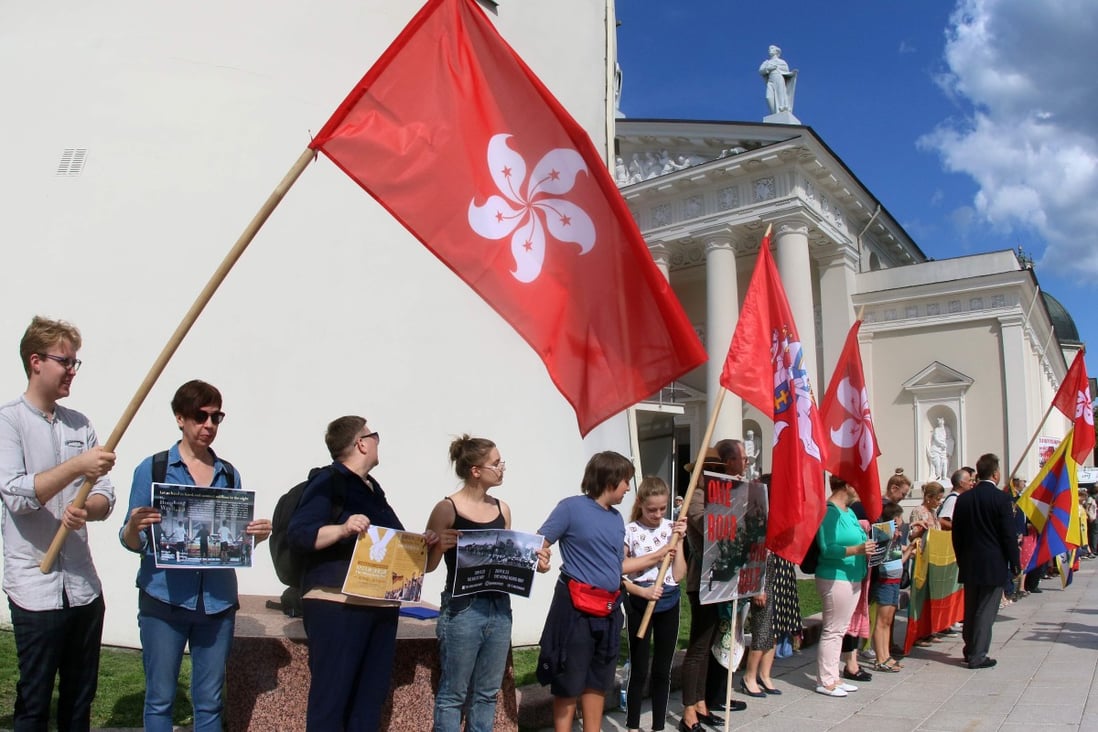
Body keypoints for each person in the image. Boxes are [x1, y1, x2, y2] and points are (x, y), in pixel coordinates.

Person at [120, 379, 272, 732]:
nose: (208, 425)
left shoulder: (228, 473)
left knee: (210, 703)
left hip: (217, 604)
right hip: (164, 600)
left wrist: (255, 538)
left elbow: (230, 544)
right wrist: (133, 528)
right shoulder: (154, 468)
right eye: (200, 416)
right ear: (179, 418)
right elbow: (129, 540)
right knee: (159, 701)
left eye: (216, 417)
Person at [0, 316, 117, 732]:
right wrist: (76, 468)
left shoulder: (79, 424)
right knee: (33, 703)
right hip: (35, 586)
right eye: (65, 361)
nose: (72, 370)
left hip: (83, 587)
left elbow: (106, 495)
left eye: (75, 363)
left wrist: (93, 508)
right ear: (35, 361)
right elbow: (15, 494)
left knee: (78, 701)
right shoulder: (8, 421)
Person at [287, 415, 440, 731]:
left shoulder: (373, 489)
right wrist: (343, 528)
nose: (377, 442)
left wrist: (422, 544)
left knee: (368, 703)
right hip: (337, 604)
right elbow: (300, 534)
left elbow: (393, 538)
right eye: (374, 435)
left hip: (380, 604)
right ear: (361, 443)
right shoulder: (328, 481)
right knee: (331, 701)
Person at [424, 435, 550, 732]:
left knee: (486, 694)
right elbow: (425, 565)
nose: (502, 468)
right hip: (462, 609)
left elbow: (505, 559)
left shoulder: (501, 508)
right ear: (476, 471)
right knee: (453, 694)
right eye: (496, 463)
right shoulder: (446, 508)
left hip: (499, 607)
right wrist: (439, 546)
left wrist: (536, 564)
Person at [536, 451, 633, 732]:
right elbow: (539, 543)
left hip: (609, 610)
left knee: (598, 679)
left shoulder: (616, 519)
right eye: (626, 480)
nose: (628, 487)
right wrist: (541, 560)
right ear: (611, 479)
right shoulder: (570, 508)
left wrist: (662, 553)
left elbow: (617, 566)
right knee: (568, 680)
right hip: (574, 611)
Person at [680, 440, 747, 731]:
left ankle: (702, 703)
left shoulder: (725, 496)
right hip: (703, 581)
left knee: (708, 646)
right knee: (697, 647)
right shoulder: (696, 496)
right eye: (717, 470)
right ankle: (688, 712)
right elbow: (710, 525)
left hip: (722, 580)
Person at [621, 476, 687, 732]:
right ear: (640, 503)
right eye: (651, 509)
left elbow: (679, 574)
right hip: (640, 600)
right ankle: (633, 726)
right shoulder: (630, 531)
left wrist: (679, 542)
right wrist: (641, 591)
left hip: (668, 600)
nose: (657, 514)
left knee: (662, 668)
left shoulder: (672, 528)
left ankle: (658, 726)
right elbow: (620, 573)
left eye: (662, 508)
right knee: (639, 668)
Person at [951, 453, 1020, 669]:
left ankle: (970, 648)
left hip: (970, 560)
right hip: (993, 562)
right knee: (985, 609)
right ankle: (978, 654)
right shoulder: (1001, 499)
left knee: (971, 608)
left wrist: (960, 557)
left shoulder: (964, 499)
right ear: (996, 473)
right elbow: (1008, 534)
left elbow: (957, 533)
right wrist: (1015, 561)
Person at [815, 475, 875, 697]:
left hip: (853, 575)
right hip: (835, 576)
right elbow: (827, 547)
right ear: (847, 485)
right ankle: (825, 680)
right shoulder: (830, 512)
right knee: (832, 629)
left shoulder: (849, 512)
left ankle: (834, 676)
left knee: (840, 630)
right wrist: (857, 550)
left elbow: (859, 539)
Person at [870, 503, 916, 671]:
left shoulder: (894, 537)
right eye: (900, 518)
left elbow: (898, 561)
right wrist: (892, 538)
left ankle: (886, 655)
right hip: (885, 582)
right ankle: (880, 657)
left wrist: (909, 549)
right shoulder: (884, 534)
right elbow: (881, 558)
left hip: (894, 582)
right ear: (894, 518)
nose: (902, 522)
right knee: (882, 621)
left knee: (888, 621)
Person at [758, 45, 797, 115]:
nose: (769, 50)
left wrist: (792, 73)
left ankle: (780, 110)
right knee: (768, 97)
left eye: (772, 48)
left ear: (776, 51)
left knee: (780, 95)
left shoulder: (782, 62)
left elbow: (786, 71)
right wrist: (769, 68)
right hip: (770, 80)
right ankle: (774, 113)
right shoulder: (767, 62)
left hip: (779, 78)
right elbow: (761, 71)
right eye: (769, 49)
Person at [938, 467, 975, 531]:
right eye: (969, 481)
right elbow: (942, 521)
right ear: (961, 483)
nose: (972, 483)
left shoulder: (959, 498)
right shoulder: (953, 499)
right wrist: (963, 529)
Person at [927, 417, 954, 481]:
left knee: (945, 462)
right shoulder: (936, 429)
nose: (940, 422)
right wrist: (941, 444)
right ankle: (938, 476)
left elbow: (949, 437)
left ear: (943, 421)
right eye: (939, 421)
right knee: (938, 463)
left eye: (941, 421)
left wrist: (946, 445)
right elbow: (936, 438)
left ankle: (944, 476)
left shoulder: (946, 429)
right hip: (936, 448)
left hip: (943, 449)